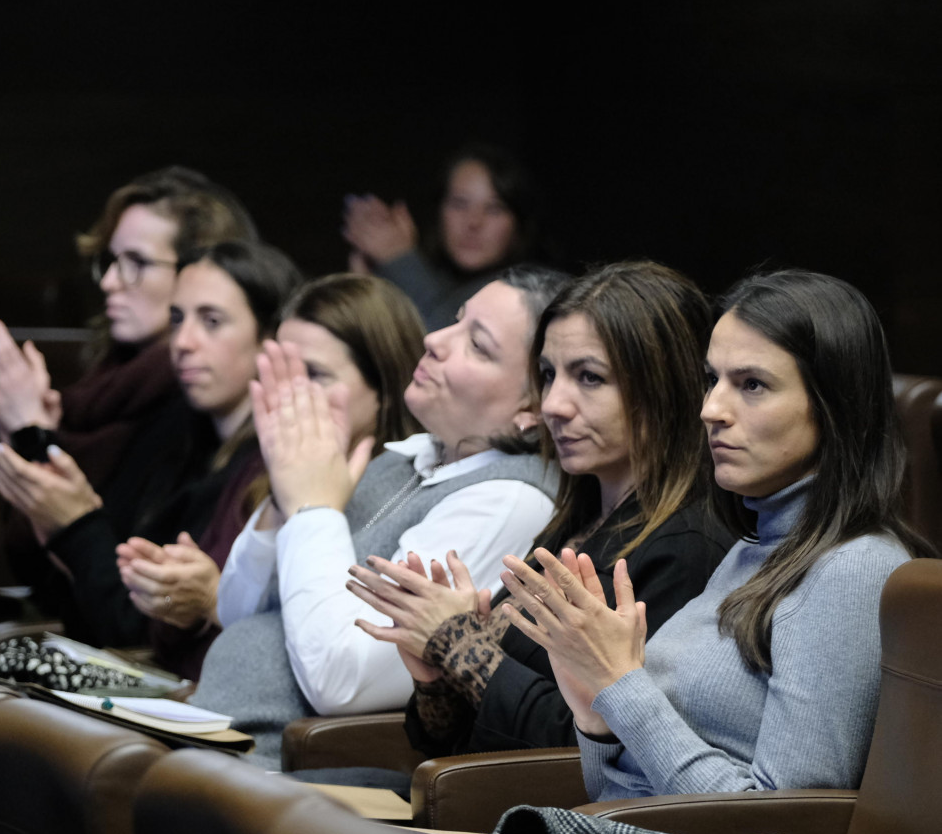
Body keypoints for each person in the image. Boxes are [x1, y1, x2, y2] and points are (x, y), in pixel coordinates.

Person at [499, 269, 934, 800]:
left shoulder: (853, 569)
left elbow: (785, 829)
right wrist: (597, 718)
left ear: (833, 405)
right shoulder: (753, 548)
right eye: (713, 380)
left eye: (752, 385)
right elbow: (619, 799)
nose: (711, 410)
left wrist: (622, 687)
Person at [347, 261, 732, 756]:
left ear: (663, 391)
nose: (554, 404)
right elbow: (451, 744)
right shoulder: (578, 520)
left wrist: (461, 642)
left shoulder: (687, 547)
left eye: (589, 378)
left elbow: (589, 749)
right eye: (549, 374)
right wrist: (436, 676)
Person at [190, 266, 565, 767]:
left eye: (476, 344)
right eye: (454, 322)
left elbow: (342, 681)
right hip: (219, 735)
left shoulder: (511, 499)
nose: (434, 340)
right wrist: (288, 495)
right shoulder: (404, 459)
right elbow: (237, 610)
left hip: (283, 768)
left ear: (532, 408)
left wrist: (313, 507)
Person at [0, 239, 300, 661]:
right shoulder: (175, 431)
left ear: (269, 339)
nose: (183, 341)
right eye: (176, 319)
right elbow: (88, 600)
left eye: (211, 321)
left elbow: (139, 627)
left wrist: (76, 525)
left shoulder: (271, 467)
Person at [0, 166, 258, 616]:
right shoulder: (108, 384)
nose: (109, 282)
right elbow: (37, 566)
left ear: (200, 270)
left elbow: (116, 592)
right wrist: (27, 439)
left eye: (136, 263)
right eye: (110, 261)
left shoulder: (195, 402)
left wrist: (35, 441)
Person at [116, 273, 426, 677]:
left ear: (385, 389)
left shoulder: (404, 493)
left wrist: (213, 602)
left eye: (313, 376)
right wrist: (176, 604)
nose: (289, 396)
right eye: (278, 375)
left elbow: (331, 664)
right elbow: (187, 653)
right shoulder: (261, 470)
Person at [343, 143, 538, 330]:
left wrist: (400, 259)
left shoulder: (534, 294)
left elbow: (445, 338)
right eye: (459, 204)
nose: (474, 222)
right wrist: (363, 289)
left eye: (494, 208)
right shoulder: (436, 280)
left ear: (518, 223)